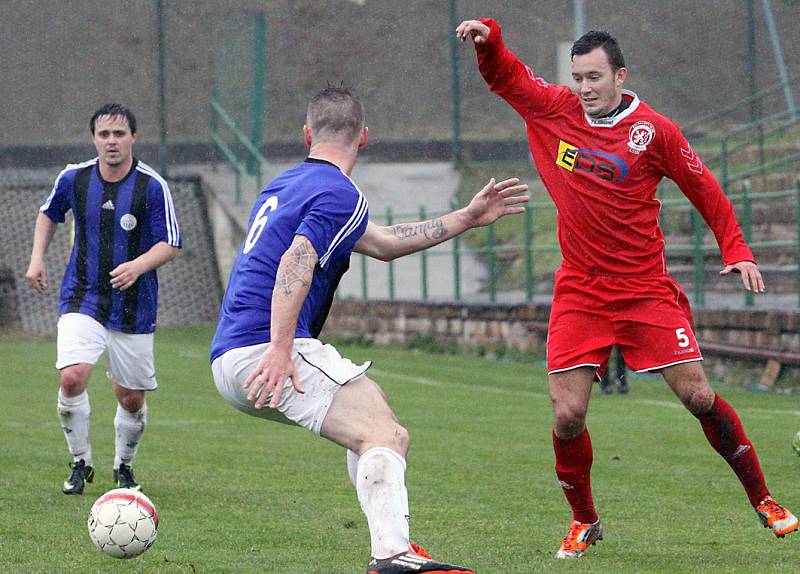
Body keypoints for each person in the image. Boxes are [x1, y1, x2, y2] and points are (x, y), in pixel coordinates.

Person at [456, 19, 798, 558]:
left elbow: (703, 186)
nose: (584, 88)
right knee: (567, 414)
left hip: (644, 290)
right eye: (577, 77)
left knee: (699, 396)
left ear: (620, 75)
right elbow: (509, 79)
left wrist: (736, 249)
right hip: (581, 291)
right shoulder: (555, 109)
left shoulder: (654, 131)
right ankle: (584, 519)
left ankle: (764, 498)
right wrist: (490, 43)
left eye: (594, 77)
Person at [209, 86, 527, 573]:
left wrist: (465, 218)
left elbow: (382, 242)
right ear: (365, 137)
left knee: (378, 426)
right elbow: (297, 259)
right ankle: (391, 555)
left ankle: (394, 546)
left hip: (231, 354)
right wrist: (279, 348)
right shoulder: (340, 192)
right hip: (267, 349)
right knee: (384, 433)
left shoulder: (286, 185)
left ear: (307, 134)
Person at [26, 103, 181, 495]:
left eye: (119, 134)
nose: (111, 142)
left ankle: (123, 466)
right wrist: (37, 259)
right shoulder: (73, 178)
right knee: (72, 375)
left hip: (134, 305)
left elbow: (171, 243)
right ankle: (80, 462)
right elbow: (49, 214)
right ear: (94, 138)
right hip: (83, 296)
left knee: (129, 398)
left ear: (133, 137)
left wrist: (138, 266)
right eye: (104, 134)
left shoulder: (152, 185)